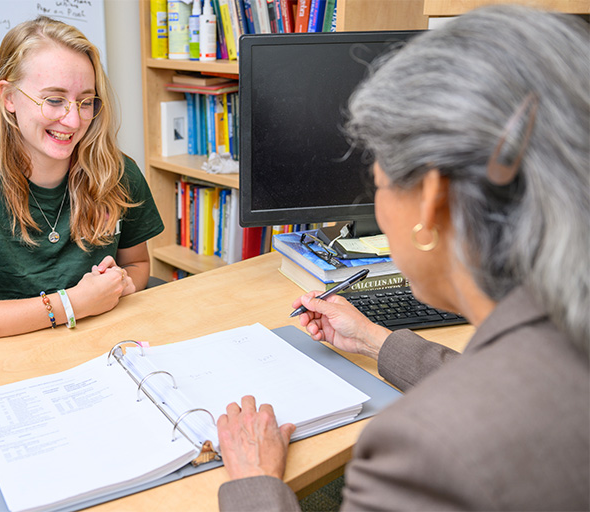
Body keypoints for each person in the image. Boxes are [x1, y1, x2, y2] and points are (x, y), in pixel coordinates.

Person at [216, 5, 589, 511]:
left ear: (432, 199)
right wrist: (374, 340)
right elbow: (517, 389)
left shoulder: (421, 451)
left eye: (379, 186)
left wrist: (253, 483)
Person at [0, 17, 164, 349]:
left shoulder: (115, 172)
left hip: (96, 351)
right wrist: (72, 304)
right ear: (8, 97)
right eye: (53, 100)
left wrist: (118, 285)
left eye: (85, 101)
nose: (74, 120)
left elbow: (136, 263)